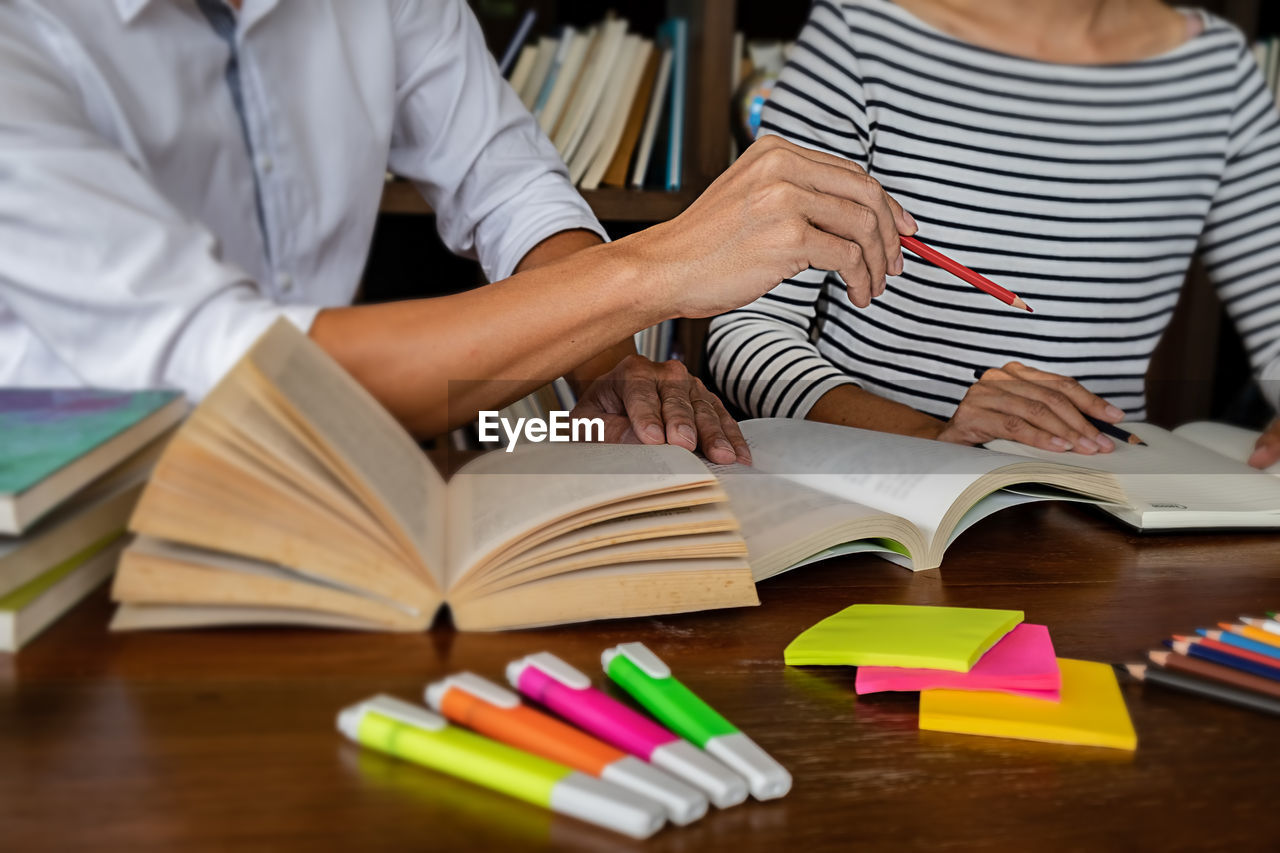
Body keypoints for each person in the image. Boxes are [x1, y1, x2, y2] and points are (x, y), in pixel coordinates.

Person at [0, 0, 912, 465]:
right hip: (70, 543)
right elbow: (243, 367)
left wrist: (612, 364)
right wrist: (658, 269)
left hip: (325, 487)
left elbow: (512, 188)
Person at [708, 0, 1280, 469]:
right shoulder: (862, 34)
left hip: (1104, 498)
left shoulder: (1216, 70)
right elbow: (747, 327)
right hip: (888, 482)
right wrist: (933, 437)